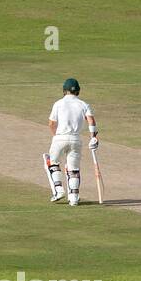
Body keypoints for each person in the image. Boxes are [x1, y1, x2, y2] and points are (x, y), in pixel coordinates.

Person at [45, 78, 99, 206]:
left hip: (60, 138)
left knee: (52, 162)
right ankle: (74, 198)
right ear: (78, 91)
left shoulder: (58, 103)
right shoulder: (83, 104)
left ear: (64, 91)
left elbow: (52, 123)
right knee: (73, 169)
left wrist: (56, 136)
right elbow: (91, 120)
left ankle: (58, 190)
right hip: (76, 139)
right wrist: (93, 137)